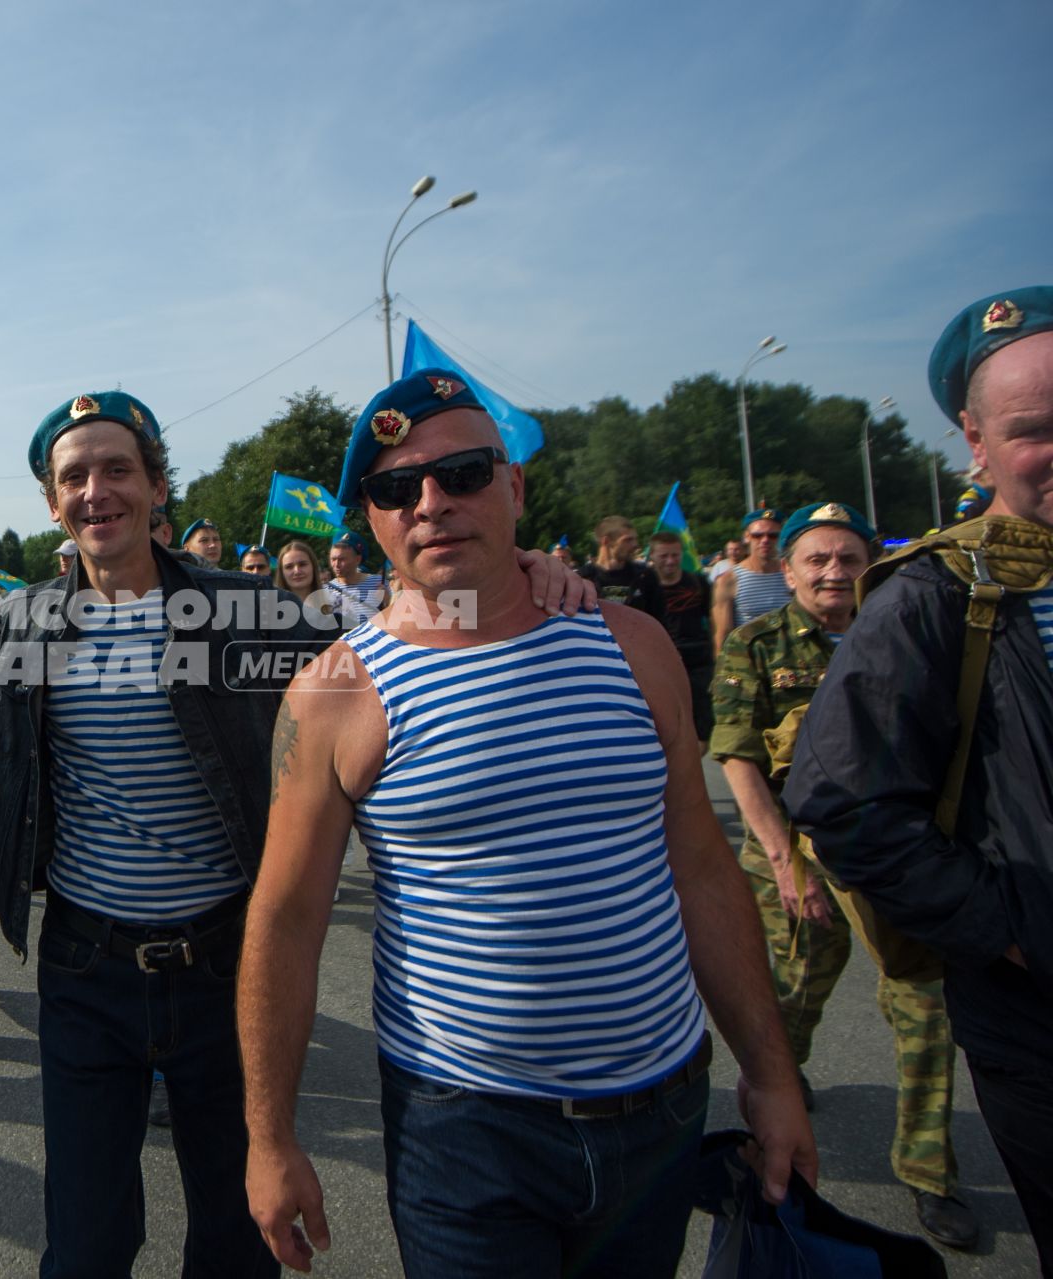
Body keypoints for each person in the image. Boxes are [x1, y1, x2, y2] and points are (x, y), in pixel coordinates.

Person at [0, 389, 591, 1277]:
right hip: (85, 970)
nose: (98, 491)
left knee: (236, 1238)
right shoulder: (15, 625)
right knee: (85, 1243)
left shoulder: (252, 612)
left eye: (118, 469)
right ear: (52, 504)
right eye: (74, 476)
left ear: (157, 486)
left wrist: (538, 574)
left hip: (223, 966)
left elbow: (418, 626)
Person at [238, 371, 813, 1278]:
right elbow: (287, 921)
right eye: (396, 488)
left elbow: (702, 867)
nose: (431, 502)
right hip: (463, 1131)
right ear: (374, 520)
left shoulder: (631, 645)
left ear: (513, 487)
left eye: (461, 471)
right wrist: (268, 1139)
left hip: (661, 1108)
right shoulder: (336, 694)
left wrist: (772, 1074)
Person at [786, 287, 1053, 1266]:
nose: (828, 575)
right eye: (1035, 431)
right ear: (978, 446)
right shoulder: (945, 596)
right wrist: (1013, 933)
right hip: (1035, 1011)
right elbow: (838, 799)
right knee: (825, 997)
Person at [712, 501, 975, 1249]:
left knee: (925, 1011)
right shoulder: (758, 645)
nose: (833, 572)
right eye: (816, 560)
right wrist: (785, 861)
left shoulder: (906, 634)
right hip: (799, 858)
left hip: (901, 863)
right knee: (790, 1002)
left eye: (847, 558)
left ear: (869, 565)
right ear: (788, 569)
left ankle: (929, 1173)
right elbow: (738, 758)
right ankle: (776, 1125)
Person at [649, 531, 714, 745]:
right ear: (652, 556)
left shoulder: (697, 582)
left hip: (697, 660)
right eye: (664, 555)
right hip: (659, 661)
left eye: (675, 555)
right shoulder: (644, 586)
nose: (670, 561)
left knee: (702, 728)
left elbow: (712, 619)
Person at [712, 508, 791, 653]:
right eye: (757, 535)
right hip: (749, 660)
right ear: (746, 537)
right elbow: (723, 634)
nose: (765, 540)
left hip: (790, 657)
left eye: (773, 535)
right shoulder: (729, 579)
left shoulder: (792, 575)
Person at [577, 514, 664, 616]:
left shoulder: (645, 576)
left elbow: (660, 620)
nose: (635, 545)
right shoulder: (583, 578)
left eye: (635, 539)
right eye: (628, 540)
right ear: (606, 541)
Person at [323, 530, 387, 624]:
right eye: (333, 559)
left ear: (357, 559)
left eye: (342, 559)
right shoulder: (325, 590)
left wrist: (387, 603)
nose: (336, 564)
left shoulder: (379, 584)